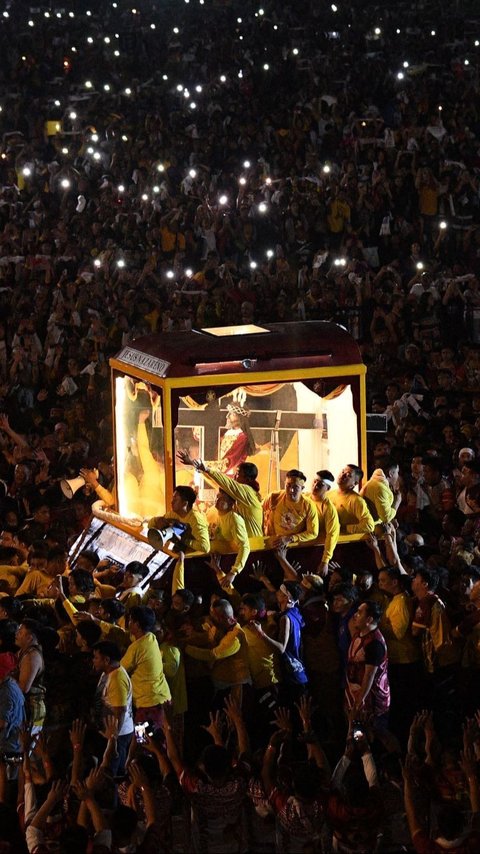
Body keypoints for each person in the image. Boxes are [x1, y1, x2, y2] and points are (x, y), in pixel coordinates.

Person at [178, 452, 263, 538]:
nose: (234, 477)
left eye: (237, 474)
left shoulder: (248, 492)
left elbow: (227, 483)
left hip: (254, 546)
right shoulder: (239, 497)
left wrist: (205, 469)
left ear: (248, 479)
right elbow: (219, 483)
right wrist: (196, 466)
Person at [120, 606, 171, 730]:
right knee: (160, 738)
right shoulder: (151, 638)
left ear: (137, 625)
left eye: (131, 620)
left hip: (148, 705)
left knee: (143, 740)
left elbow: (120, 670)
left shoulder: (136, 647)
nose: (128, 623)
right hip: (162, 699)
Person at [92, 640, 134, 775]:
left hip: (119, 735)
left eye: (96, 658)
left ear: (106, 660)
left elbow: (120, 711)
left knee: (113, 773)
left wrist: (113, 738)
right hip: (110, 733)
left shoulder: (117, 679)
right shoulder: (108, 673)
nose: (93, 661)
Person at [345, 601, 390, 726]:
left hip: (371, 701)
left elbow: (369, 675)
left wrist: (359, 702)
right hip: (355, 694)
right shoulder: (359, 633)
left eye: (359, 613)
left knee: (376, 733)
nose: (355, 615)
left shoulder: (374, 644)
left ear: (369, 619)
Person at [263, 469, 319, 547]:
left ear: (302, 488)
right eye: (288, 485)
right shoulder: (274, 497)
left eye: (295, 487)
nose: (291, 490)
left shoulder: (308, 505)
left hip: (293, 546)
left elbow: (313, 533)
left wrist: (290, 538)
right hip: (271, 543)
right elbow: (259, 513)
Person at [308, 470, 340, 576]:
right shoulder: (305, 498)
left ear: (328, 488)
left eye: (320, 484)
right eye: (315, 482)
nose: (315, 486)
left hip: (317, 550)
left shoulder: (328, 508)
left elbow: (332, 535)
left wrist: (325, 561)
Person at [328, 465, 375, 534]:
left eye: (348, 475)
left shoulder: (356, 500)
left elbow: (369, 526)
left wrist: (344, 528)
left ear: (355, 483)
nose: (343, 475)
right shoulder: (328, 494)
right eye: (343, 471)